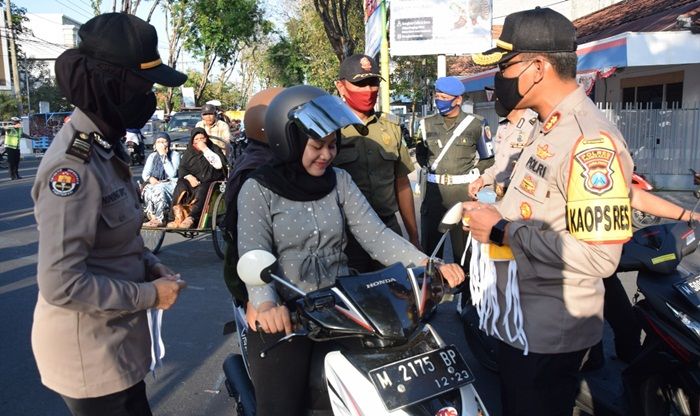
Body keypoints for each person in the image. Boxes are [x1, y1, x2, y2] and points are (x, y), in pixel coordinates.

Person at [238, 85, 466, 416]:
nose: (327, 155)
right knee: (281, 407)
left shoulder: (339, 180)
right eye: (317, 146)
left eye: (333, 145)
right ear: (289, 143)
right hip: (289, 317)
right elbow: (253, 249)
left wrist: (430, 265)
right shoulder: (258, 189)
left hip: (343, 309)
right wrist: (266, 303)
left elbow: (376, 235)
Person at [464, 7, 635, 414]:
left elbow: (599, 256)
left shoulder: (589, 141)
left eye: (506, 65)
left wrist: (503, 231)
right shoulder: (548, 127)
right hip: (522, 324)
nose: (499, 77)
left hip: (547, 337)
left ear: (538, 67)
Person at [31, 13, 187, 416]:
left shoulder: (106, 145)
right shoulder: (73, 167)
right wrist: (151, 295)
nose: (150, 97)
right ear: (115, 86)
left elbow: (115, 241)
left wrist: (151, 265)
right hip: (91, 356)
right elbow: (61, 282)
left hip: (117, 344)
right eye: (145, 86)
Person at [333, 54, 420, 272]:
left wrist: (413, 237)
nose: (369, 90)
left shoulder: (391, 127)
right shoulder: (330, 128)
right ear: (341, 87)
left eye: (373, 83)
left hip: (388, 228)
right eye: (360, 84)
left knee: (399, 296)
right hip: (345, 235)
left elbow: (402, 184)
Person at [415, 76, 493, 266]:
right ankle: (433, 291)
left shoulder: (477, 124)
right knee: (431, 251)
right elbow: (421, 155)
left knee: (464, 250)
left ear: (457, 100)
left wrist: (474, 175)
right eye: (437, 95)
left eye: (444, 96)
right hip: (434, 194)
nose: (439, 100)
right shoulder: (426, 124)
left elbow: (488, 157)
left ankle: (465, 291)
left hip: (462, 193)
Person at [222, 87, 284, 310]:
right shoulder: (259, 168)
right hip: (265, 280)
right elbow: (250, 241)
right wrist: (259, 298)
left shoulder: (268, 156)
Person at [468, 106, 538, 199]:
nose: (498, 100)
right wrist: (482, 180)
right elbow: (499, 166)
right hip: (500, 198)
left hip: (521, 198)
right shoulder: (503, 126)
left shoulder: (535, 125)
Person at [167, 127, 226, 229]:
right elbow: (182, 168)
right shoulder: (189, 152)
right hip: (193, 180)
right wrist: (189, 177)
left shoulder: (214, 148)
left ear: (206, 138)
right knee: (181, 185)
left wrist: (205, 149)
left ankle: (191, 217)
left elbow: (219, 165)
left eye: (202, 138)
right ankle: (175, 217)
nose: (199, 141)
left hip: (210, 180)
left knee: (204, 188)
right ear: (192, 141)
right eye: (196, 139)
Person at [141, 132, 180, 227]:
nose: (161, 144)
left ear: (168, 143)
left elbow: (172, 174)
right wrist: (150, 179)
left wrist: (163, 155)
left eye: (164, 141)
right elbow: (145, 174)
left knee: (159, 189)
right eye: (158, 142)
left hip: (170, 183)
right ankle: (152, 217)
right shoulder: (152, 156)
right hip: (155, 182)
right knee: (147, 189)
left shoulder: (175, 155)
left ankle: (160, 219)